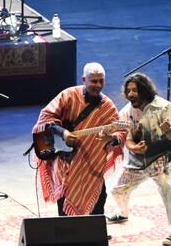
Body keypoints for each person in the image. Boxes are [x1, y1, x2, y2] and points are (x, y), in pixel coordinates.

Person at [33, 63, 125, 216]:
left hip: (91, 164)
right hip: (65, 160)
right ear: (84, 79)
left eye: (101, 81)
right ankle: (67, 234)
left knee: (99, 198)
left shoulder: (107, 106)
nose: (98, 85)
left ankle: (96, 234)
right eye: (93, 81)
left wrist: (112, 139)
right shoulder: (68, 95)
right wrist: (64, 134)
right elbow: (46, 117)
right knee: (64, 198)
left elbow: (121, 132)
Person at [107, 73, 171, 246]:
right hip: (138, 160)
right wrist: (133, 147)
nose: (131, 94)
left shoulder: (164, 107)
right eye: (128, 91)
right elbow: (126, 138)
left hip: (162, 158)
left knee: (167, 188)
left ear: (145, 90)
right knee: (117, 190)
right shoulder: (126, 111)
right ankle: (123, 213)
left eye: (135, 90)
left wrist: (167, 130)